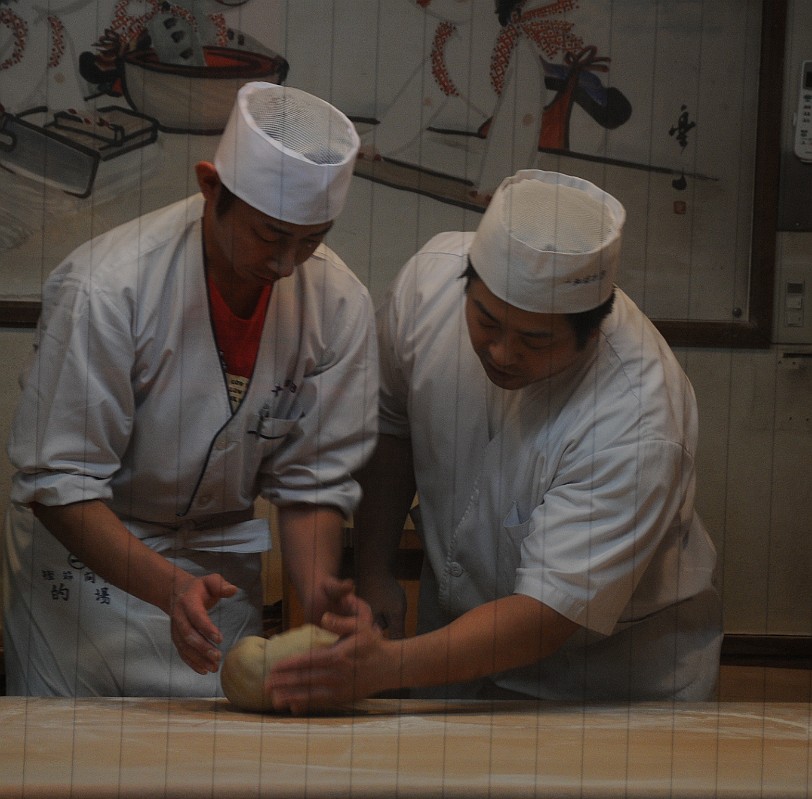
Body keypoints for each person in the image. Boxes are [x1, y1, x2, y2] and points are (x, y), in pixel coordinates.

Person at [267, 169, 723, 713]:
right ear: (468, 280)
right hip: (453, 641)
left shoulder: (638, 419)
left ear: (593, 330)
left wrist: (389, 666)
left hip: (604, 677)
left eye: (536, 339)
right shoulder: (428, 286)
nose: (502, 353)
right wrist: (374, 571)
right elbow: (391, 429)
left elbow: (548, 614)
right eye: (485, 320)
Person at [2, 82, 378, 697]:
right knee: (73, 775)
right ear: (210, 187)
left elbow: (312, 481)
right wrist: (169, 586)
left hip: (218, 574)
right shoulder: (108, 288)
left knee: (216, 777)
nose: (288, 265)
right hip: (88, 585)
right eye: (270, 235)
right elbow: (57, 481)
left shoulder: (337, 303)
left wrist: (320, 603)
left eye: (311, 240)